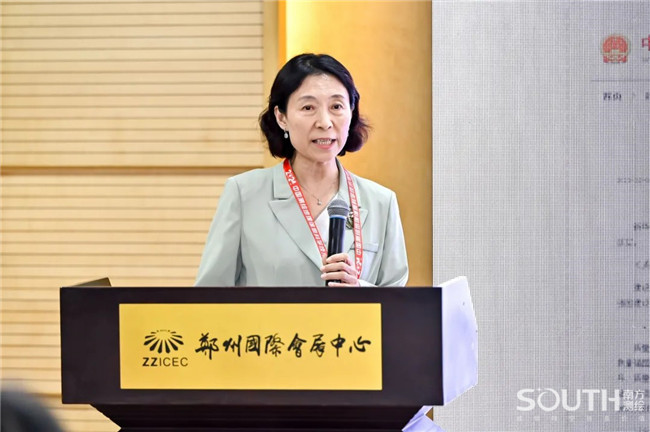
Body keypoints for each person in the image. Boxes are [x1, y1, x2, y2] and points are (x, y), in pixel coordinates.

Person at [195, 53, 408, 287]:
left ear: (351, 111)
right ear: (281, 117)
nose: (325, 122)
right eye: (308, 107)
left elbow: (397, 297)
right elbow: (210, 295)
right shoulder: (244, 193)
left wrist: (359, 290)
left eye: (336, 106)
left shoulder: (381, 202)